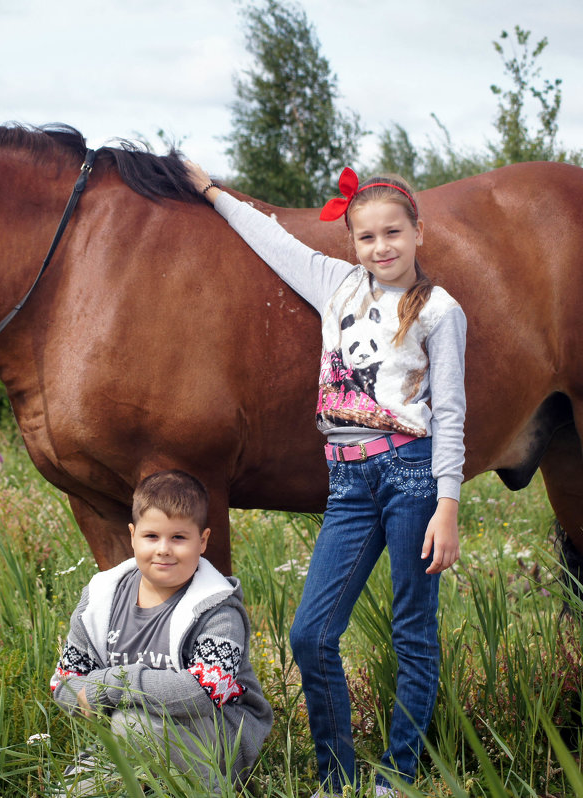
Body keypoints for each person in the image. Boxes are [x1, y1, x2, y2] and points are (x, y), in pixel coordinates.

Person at [184, 161, 466, 795]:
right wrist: (208, 190)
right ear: (352, 242)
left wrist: (447, 504)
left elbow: (450, 413)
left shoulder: (440, 312)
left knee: (412, 632)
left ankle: (397, 776)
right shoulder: (335, 285)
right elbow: (271, 237)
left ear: (418, 232)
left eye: (393, 233)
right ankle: (335, 778)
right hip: (347, 483)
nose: (381, 247)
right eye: (367, 238)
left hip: (411, 475)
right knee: (311, 633)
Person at [49, 469, 273, 795]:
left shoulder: (218, 610)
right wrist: (109, 696)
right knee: (69, 792)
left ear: (203, 540)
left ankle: (213, 789)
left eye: (179, 538)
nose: (163, 549)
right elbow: (64, 683)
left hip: (219, 738)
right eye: (151, 536)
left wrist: (111, 686)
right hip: (127, 733)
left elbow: (202, 693)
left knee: (133, 724)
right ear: (132, 535)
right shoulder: (100, 598)